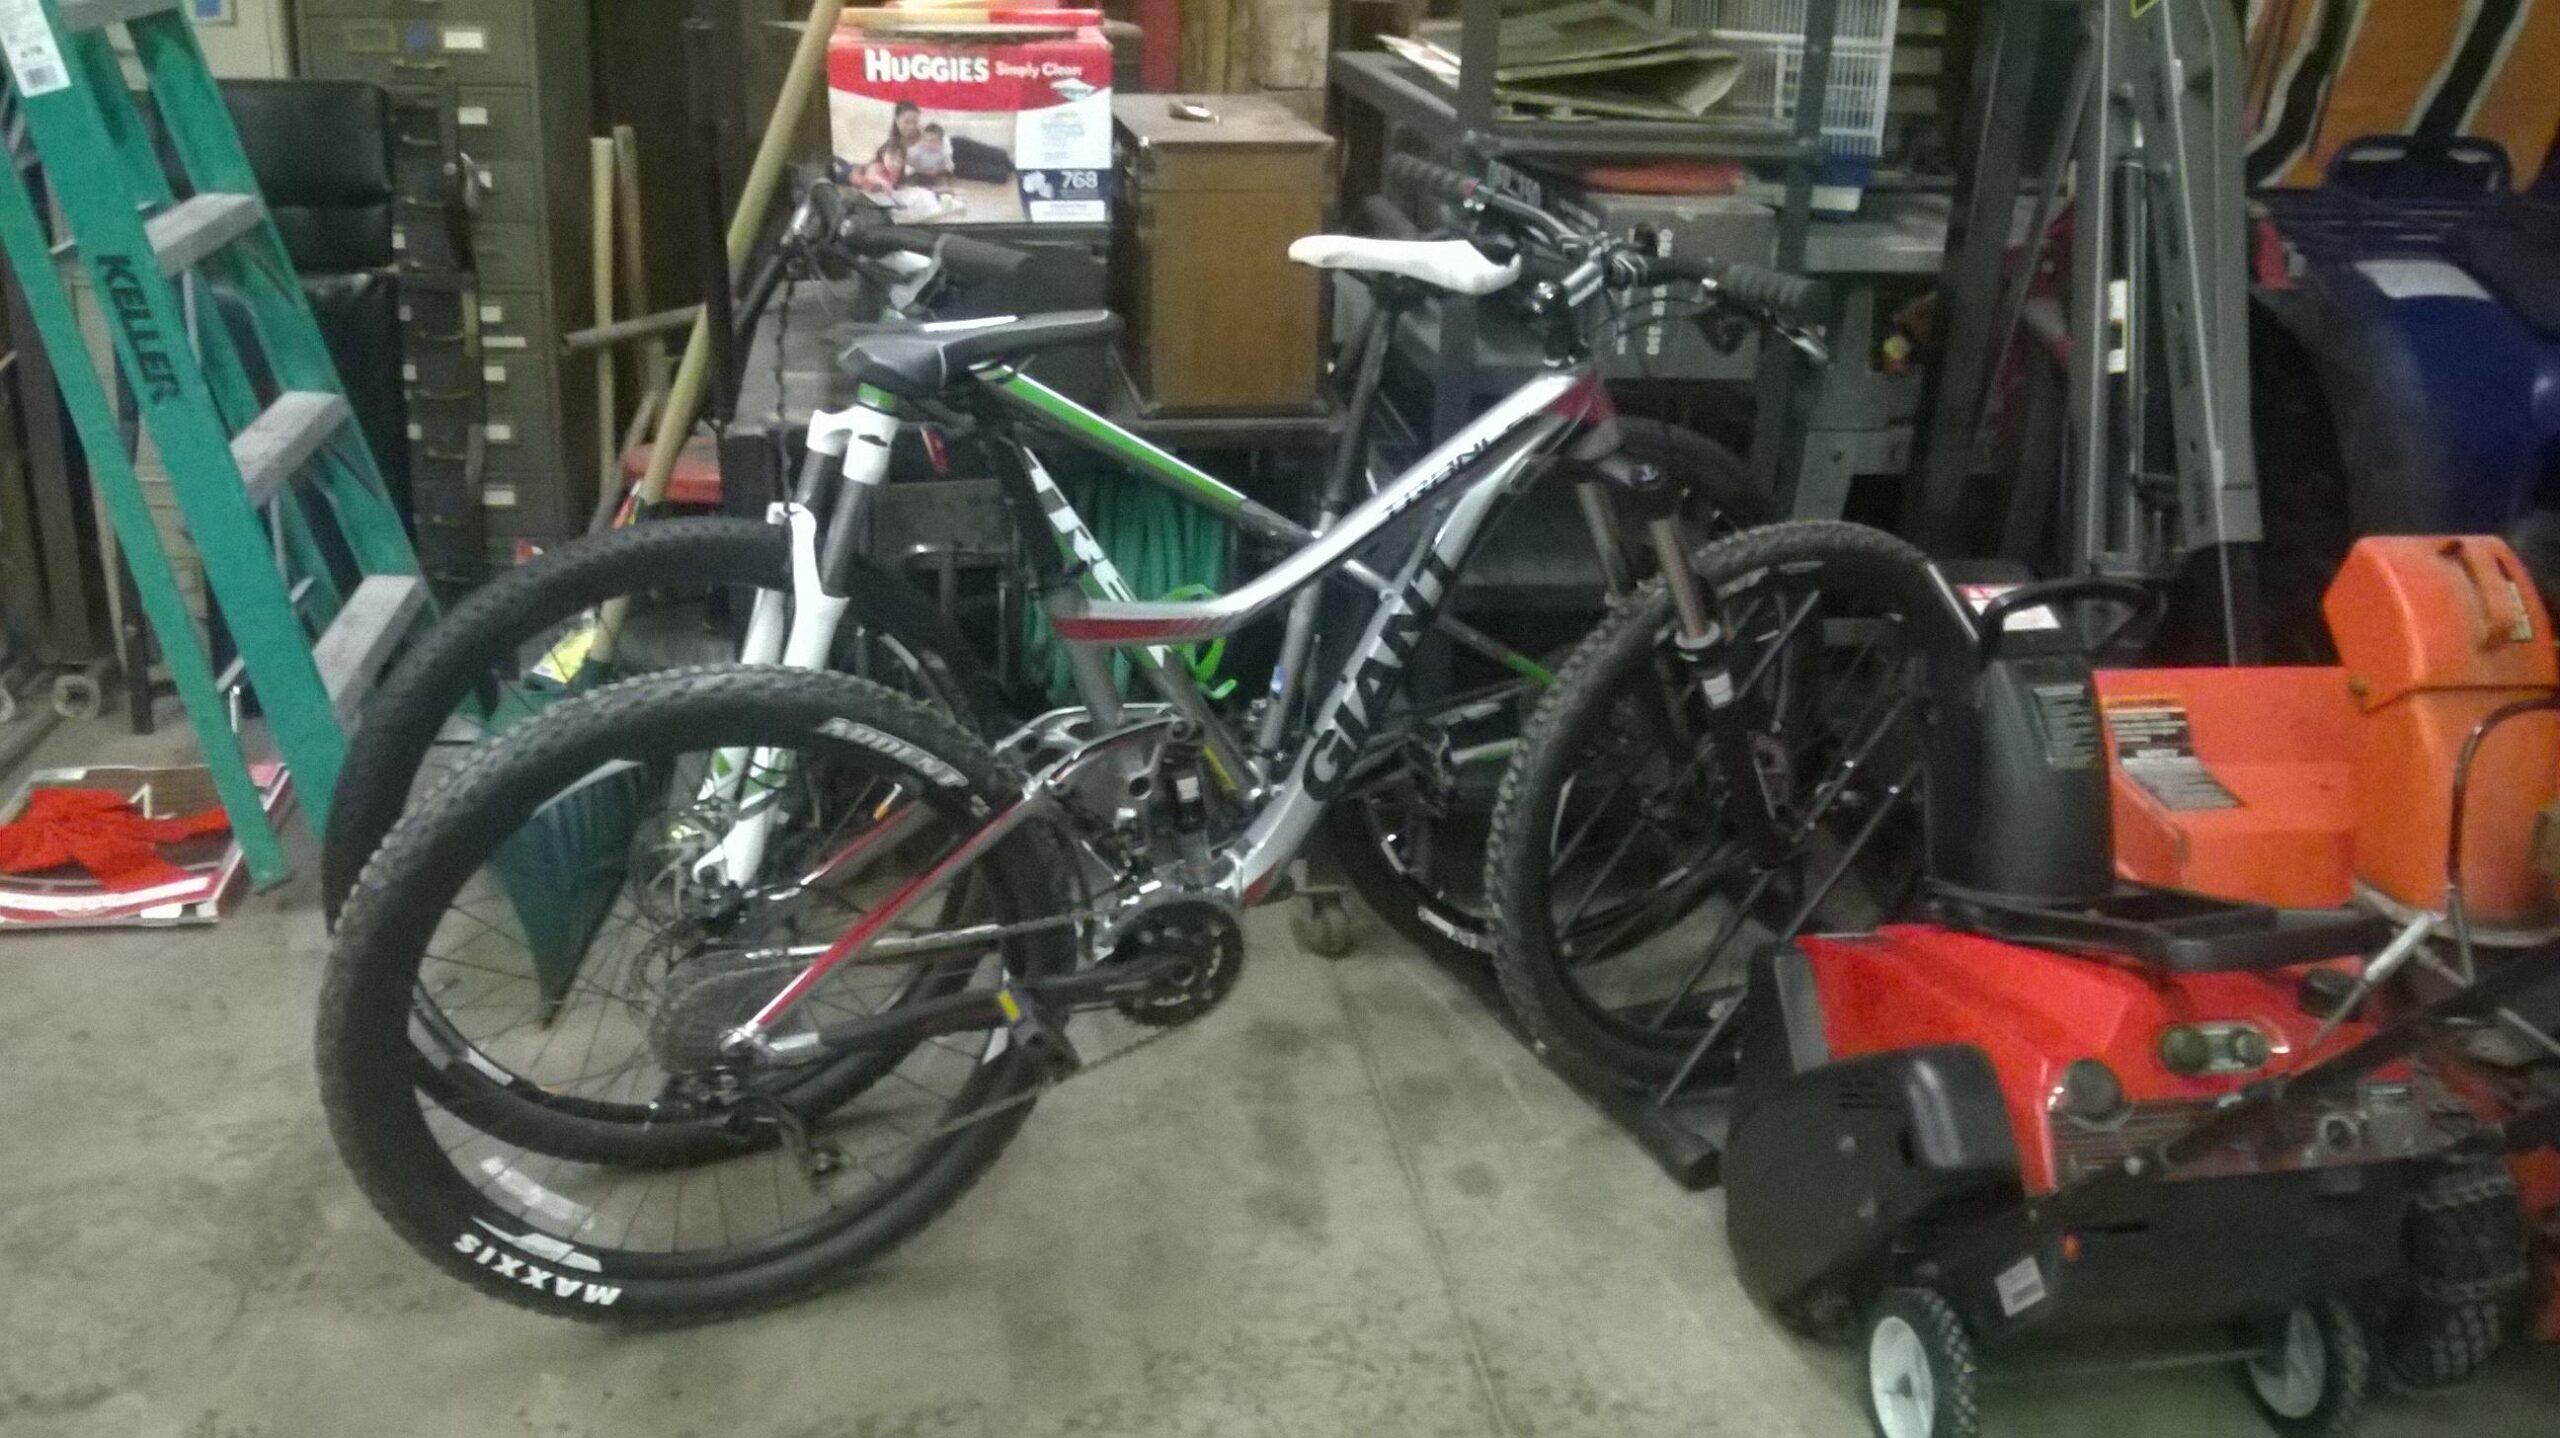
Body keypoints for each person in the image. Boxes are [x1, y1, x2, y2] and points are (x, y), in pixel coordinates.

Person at [905, 123, 957, 194]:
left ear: (941, 143)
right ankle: (910, 190)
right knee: (911, 179)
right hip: (920, 173)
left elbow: (950, 166)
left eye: (933, 141)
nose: (929, 144)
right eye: (926, 140)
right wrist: (919, 169)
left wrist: (940, 169)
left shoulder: (943, 152)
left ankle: (939, 191)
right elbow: (910, 162)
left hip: (937, 174)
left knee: (942, 181)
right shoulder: (919, 149)